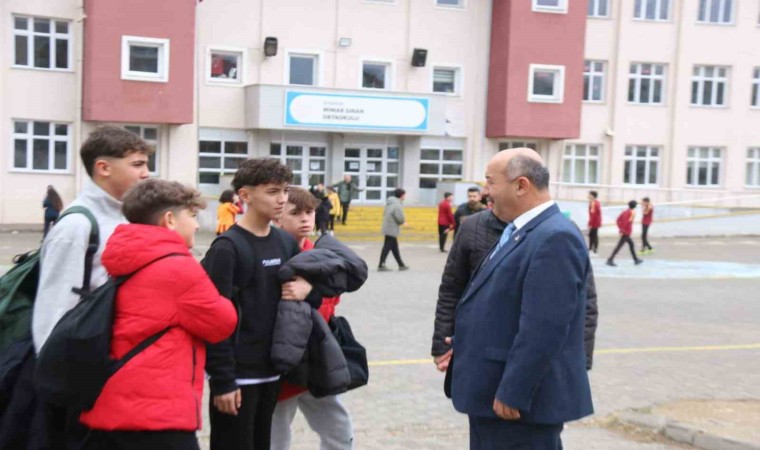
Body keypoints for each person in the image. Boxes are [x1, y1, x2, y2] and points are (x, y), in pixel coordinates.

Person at [450, 148, 593, 449]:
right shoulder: (523, 231)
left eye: (491, 182)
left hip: (518, 407)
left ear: (521, 185)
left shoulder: (554, 237)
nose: (486, 192)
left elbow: (544, 327)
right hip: (493, 395)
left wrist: (514, 390)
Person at [80, 179, 237, 450]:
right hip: (157, 414)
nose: (197, 225)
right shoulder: (178, 268)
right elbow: (222, 323)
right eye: (192, 215)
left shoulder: (126, 257)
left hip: (111, 403)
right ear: (169, 220)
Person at [32, 126, 153, 449]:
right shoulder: (77, 225)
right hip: (81, 375)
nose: (146, 173)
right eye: (137, 164)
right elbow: (53, 308)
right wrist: (59, 383)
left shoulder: (127, 217)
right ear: (103, 167)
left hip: (115, 367)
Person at [201, 158, 317, 450]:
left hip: (273, 371)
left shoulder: (285, 242)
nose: (282, 199)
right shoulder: (227, 249)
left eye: (285, 190)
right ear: (245, 195)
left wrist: (309, 288)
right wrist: (223, 380)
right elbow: (212, 320)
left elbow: (306, 297)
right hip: (238, 377)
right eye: (272, 191)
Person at [431, 206, 599, 374]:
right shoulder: (473, 227)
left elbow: (584, 301)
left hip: (536, 361)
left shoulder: (560, 232)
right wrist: (442, 346)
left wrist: (580, 360)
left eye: (492, 186)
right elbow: (451, 290)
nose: (487, 193)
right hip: (478, 356)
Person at [270, 187, 353, 450]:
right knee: (276, 437)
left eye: (309, 212)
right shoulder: (269, 256)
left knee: (340, 431)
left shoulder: (321, 255)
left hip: (318, 361)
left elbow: (332, 302)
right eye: (296, 213)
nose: (305, 219)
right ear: (277, 217)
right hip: (282, 366)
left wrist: (313, 292)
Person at [378, 188, 409, 272]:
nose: (405, 196)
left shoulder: (389, 203)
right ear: (401, 195)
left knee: (394, 247)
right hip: (392, 229)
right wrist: (403, 222)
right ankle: (381, 264)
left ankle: (401, 264)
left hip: (388, 227)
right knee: (387, 247)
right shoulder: (397, 205)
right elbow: (400, 218)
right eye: (404, 195)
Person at [607, 200, 644, 267]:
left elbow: (618, 219)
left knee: (631, 244)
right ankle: (610, 259)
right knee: (619, 246)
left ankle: (635, 259)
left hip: (625, 232)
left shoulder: (625, 211)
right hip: (626, 232)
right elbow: (626, 222)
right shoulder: (632, 212)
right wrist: (622, 231)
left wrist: (621, 229)